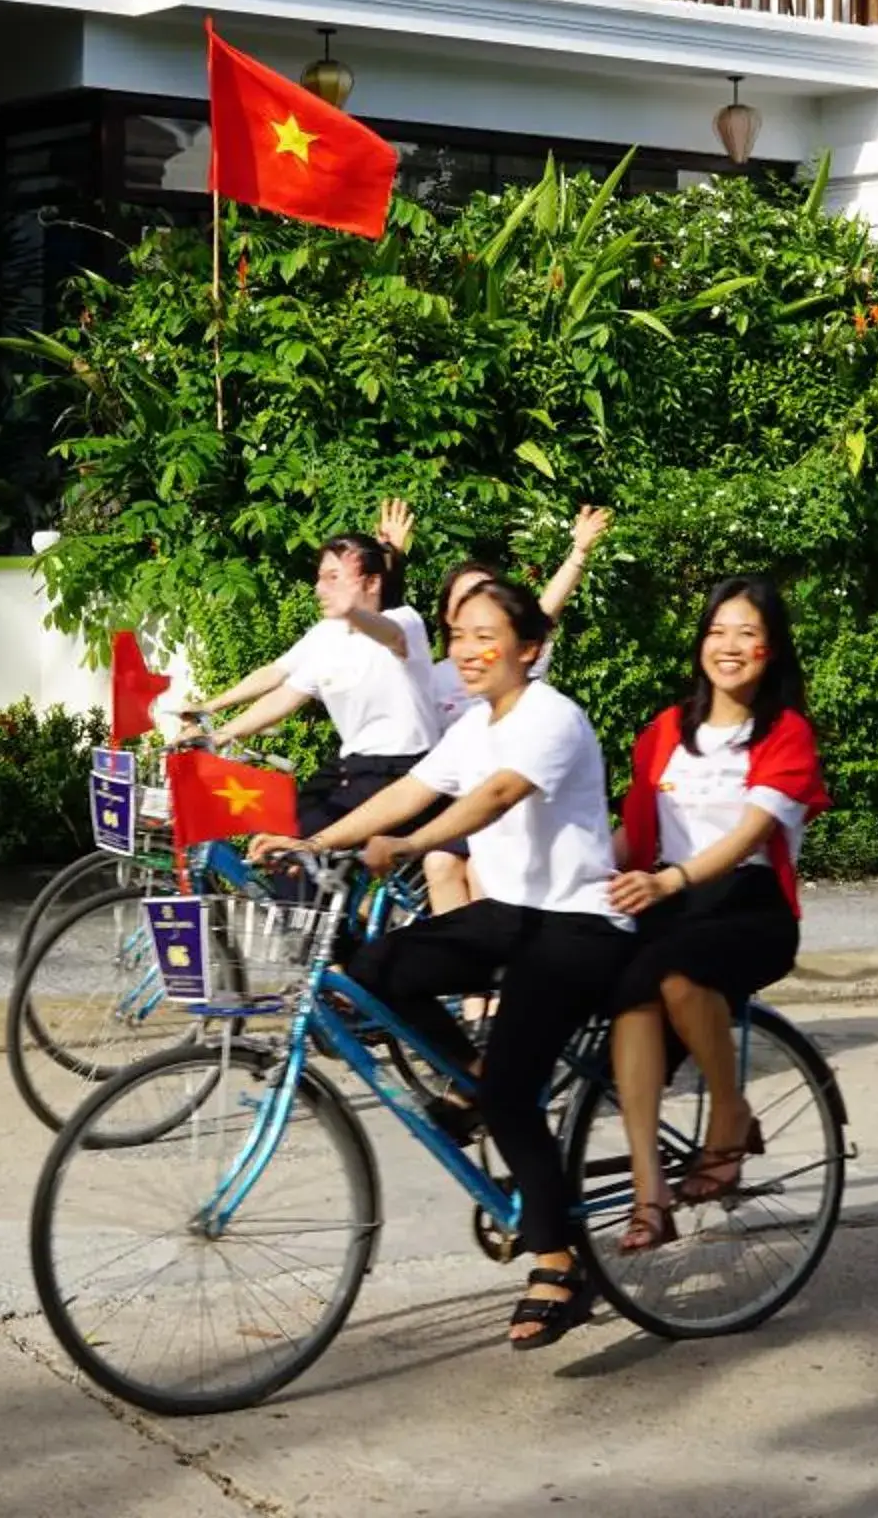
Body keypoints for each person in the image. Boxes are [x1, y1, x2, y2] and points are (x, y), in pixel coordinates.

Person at [257, 578, 632, 1352]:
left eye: (484, 635)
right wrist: (314, 844)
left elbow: (493, 798)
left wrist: (417, 844)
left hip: (576, 925)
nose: (465, 649)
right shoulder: (475, 726)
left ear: (528, 648)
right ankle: (467, 1079)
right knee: (374, 970)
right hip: (510, 917)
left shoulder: (550, 718)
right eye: (458, 634)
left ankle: (558, 1264)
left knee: (514, 1095)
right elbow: (410, 790)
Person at [604, 576, 826, 1250]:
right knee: (627, 996)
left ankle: (728, 1114)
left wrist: (668, 881)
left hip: (749, 908)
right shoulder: (666, 730)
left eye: (747, 634)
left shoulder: (787, 734)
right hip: (672, 903)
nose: (729, 646)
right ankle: (650, 1197)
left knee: (672, 972)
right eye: (717, 631)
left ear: (772, 650)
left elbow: (747, 839)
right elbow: (632, 834)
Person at [388, 501, 612, 916]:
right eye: (464, 606)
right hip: (457, 805)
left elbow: (546, 611)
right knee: (441, 863)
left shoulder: (522, 666)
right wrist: (392, 562)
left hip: (520, 804)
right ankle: (468, 975)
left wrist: (578, 554)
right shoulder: (435, 676)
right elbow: (391, 639)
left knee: (481, 873)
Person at [176, 523, 436, 832]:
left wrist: (353, 610)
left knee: (305, 845)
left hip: (403, 766)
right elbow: (283, 688)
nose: (320, 589)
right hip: (356, 763)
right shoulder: (327, 634)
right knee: (287, 833)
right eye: (321, 578)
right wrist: (215, 728)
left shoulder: (404, 621)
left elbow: (392, 635)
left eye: (334, 578)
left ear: (372, 583)